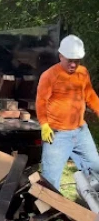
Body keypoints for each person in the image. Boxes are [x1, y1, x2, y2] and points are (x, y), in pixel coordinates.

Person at [36, 34, 99, 190]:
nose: (73, 64)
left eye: (76, 61)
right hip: (57, 134)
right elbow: (41, 101)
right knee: (50, 181)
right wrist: (44, 124)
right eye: (69, 60)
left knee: (96, 170)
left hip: (80, 131)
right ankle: (50, 212)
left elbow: (90, 95)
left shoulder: (82, 72)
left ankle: (90, 205)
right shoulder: (49, 75)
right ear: (60, 56)